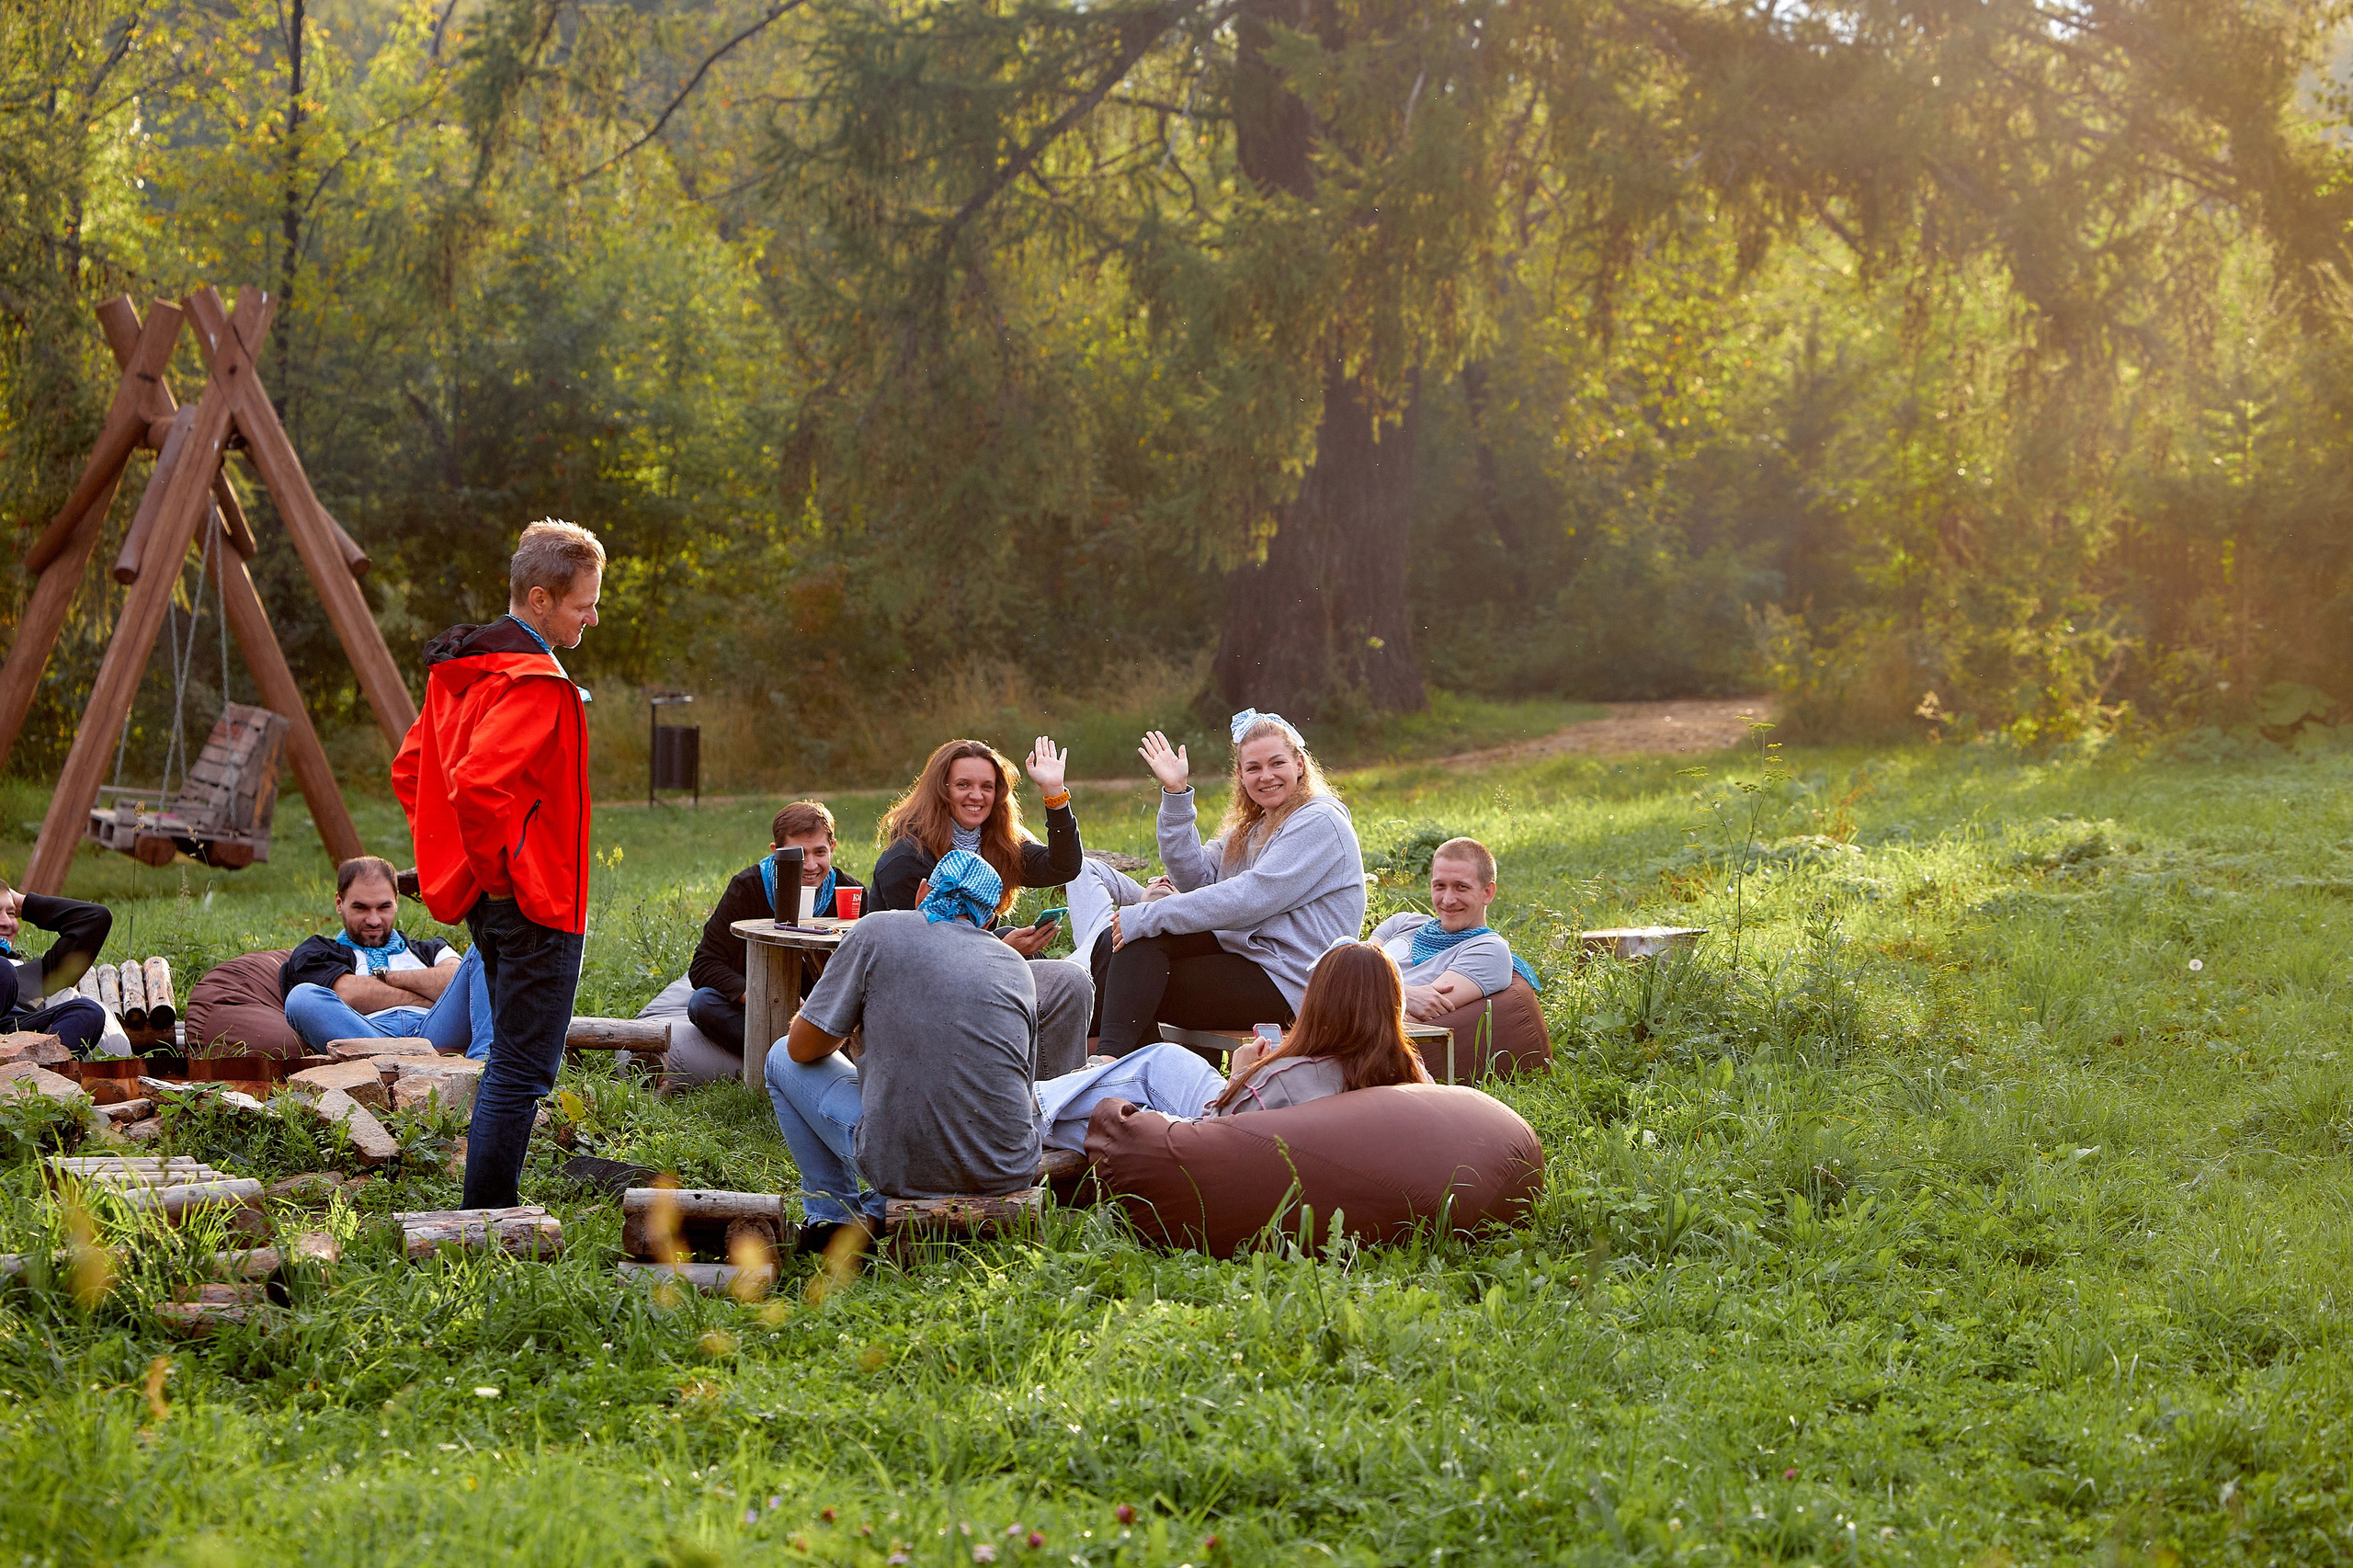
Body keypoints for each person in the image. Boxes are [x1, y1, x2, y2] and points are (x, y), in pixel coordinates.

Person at [392, 518, 601, 1210]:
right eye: (582, 605)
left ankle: (487, 1209)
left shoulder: (466, 670)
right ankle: (487, 1219)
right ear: (539, 599)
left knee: (511, 1058)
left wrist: (461, 869)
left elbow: (411, 770)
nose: (592, 618)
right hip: (534, 901)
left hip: (493, 901)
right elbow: (477, 786)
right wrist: (505, 874)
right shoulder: (533, 681)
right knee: (521, 1067)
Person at [765, 850, 1041, 1251]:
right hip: (1008, 1167)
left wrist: (834, 1023)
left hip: (903, 1165)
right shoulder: (1016, 965)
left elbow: (803, 1048)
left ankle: (833, 1218)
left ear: (923, 891)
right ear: (989, 919)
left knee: (778, 1057)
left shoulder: (876, 931)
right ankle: (874, 1210)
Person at [1074, 710, 1366, 1057]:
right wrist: (1176, 791)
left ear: (1300, 764)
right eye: (1253, 768)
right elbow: (1194, 877)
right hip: (1247, 959)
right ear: (1241, 776)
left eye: (1277, 763)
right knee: (1120, 944)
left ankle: (1115, 1065)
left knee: (1143, 974)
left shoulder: (1319, 822)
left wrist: (1151, 914)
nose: (1266, 776)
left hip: (1294, 981)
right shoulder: (1253, 828)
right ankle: (1126, 1066)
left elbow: (1250, 897)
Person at [1032, 940, 1433, 1151]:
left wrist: (1242, 1071)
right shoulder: (1410, 1072)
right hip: (1265, 1125)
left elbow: (1222, 1128)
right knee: (1162, 1064)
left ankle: (1028, 1110)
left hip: (1218, 1130)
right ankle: (1041, 1108)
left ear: (1321, 999)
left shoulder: (1290, 1074)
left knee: (1151, 1070)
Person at [870, 737, 1092, 1076]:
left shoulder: (996, 843)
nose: (977, 796)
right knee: (1048, 970)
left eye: (987, 786)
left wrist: (1055, 794)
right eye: (963, 785)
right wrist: (1003, 951)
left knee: (1060, 976)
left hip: (975, 974)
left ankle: (1052, 1090)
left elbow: (1063, 867)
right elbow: (919, 959)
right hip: (913, 998)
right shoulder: (906, 860)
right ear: (941, 790)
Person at [639, 801, 867, 1085]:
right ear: (775, 851)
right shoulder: (748, 888)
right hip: (756, 1004)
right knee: (702, 1003)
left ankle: (804, 1059)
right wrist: (760, 995)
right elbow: (704, 964)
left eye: (820, 852)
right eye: (797, 855)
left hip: (821, 1014)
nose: (809, 865)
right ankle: (798, 1065)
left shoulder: (851, 894)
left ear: (833, 846)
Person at [279, 856, 494, 1058]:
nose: (373, 920)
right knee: (301, 997)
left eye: (384, 907)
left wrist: (386, 977)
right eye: (360, 908)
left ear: (396, 901)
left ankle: (482, 1066)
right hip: (368, 1035)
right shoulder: (318, 950)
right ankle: (387, 1062)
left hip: (436, 1029)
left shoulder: (432, 949)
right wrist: (428, 995)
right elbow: (349, 994)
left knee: (484, 947)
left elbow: (461, 982)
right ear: (339, 903)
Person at [1367, 837, 1541, 1020]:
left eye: (1462, 887)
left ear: (1488, 892)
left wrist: (1369, 985)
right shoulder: (1401, 923)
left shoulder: (1489, 950)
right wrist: (1405, 994)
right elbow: (1348, 968)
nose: (1448, 900)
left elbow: (1416, 1015)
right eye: (1440, 886)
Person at [0, 877, 109, 1056]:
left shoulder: (38, 972)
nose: (6, 922)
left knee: (88, 1012)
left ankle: (34, 1071)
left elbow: (95, 918)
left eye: (11, 913)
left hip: (17, 1035)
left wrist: (24, 904)